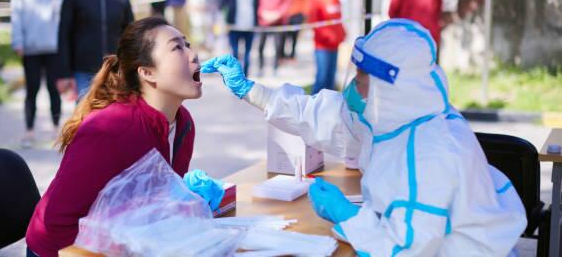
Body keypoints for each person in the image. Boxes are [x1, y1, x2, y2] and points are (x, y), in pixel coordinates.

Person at [202, 19, 527, 256]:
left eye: (361, 78)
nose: (352, 87)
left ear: (392, 84)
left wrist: (348, 215)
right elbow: (326, 118)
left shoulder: (431, 151)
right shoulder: (394, 115)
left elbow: (404, 248)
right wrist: (254, 92)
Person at [25, 17, 203, 257]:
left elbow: (160, 204)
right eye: (177, 48)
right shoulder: (110, 129)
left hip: (127, 242)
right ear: (147, 72)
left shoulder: (184, 124)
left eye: (188, 44)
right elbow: (58, 223)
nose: (193, 55)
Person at [57, 0, 134, 100]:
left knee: (115, 118)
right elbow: (64, 32)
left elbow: (130, 30)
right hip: (83, 70)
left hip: (115, 69)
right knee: (86, 119)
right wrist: (64, 72)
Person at [11, 0, 67, 147]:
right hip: (30, 48)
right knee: (32, 88)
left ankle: (55, 128)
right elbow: (16, 15)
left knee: (54, 89)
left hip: (54, 48)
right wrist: (17, 41)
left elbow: (61, 14)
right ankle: (29, 131)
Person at [308, 0, 346, 94]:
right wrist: (326, 36)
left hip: (334, 43)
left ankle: (329, 108)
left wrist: (341, 34)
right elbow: (314, 20)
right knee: (322, 78)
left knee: (331, 78)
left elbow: (337, 17)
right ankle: (313, 107)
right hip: (322, 44)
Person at [220, 0, 259, 77]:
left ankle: (245, 76)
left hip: (250, 24)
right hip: (234, 24)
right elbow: (224, 4)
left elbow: (257, 4)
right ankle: (236, 76)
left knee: (247, 53)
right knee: (235, 52)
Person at [257, 0, 292, 75]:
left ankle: (276, 68)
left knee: (278, 46)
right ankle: (261, 67)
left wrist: (278, 14)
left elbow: (287, 2)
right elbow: (257, 1)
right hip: (263, 21)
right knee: (261, 45)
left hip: (279, 22)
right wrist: (262, 13)